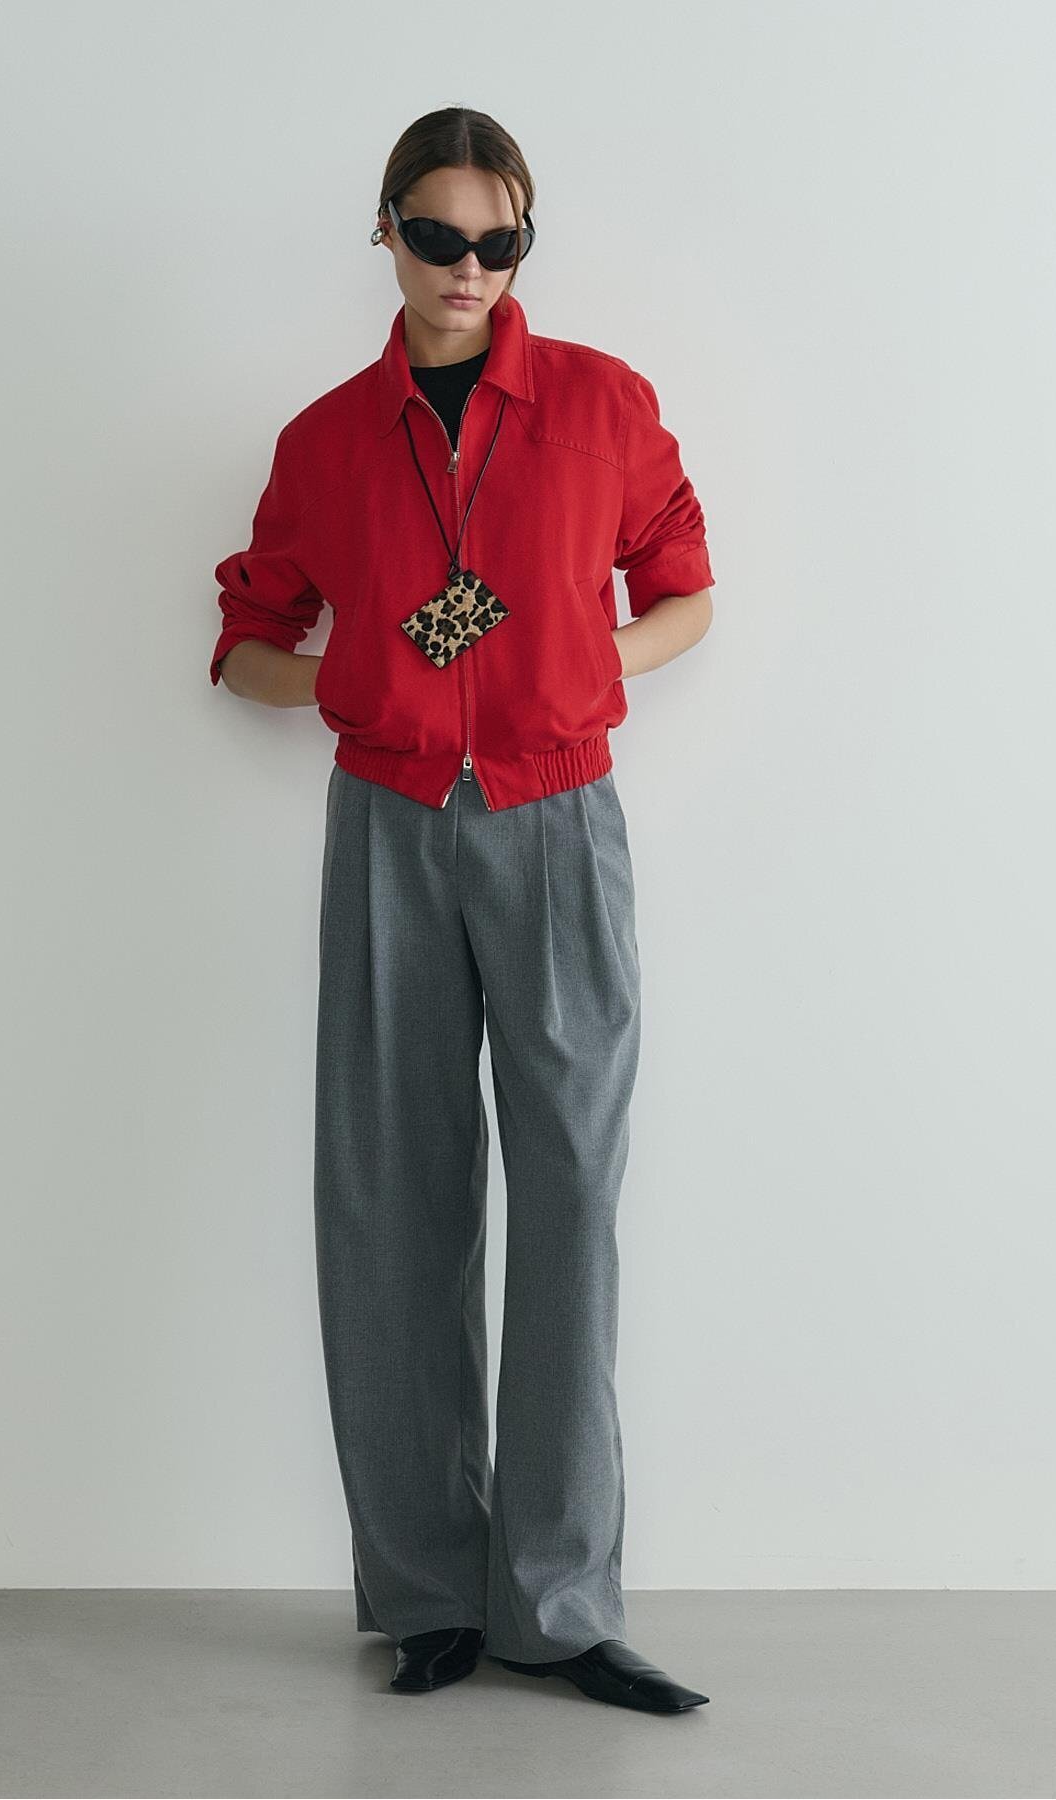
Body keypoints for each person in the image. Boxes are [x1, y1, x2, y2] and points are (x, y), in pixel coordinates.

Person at [210, 106, 716, 1716]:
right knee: (393, 1202)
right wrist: (348, 677)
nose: (470, 269)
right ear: (386, 232)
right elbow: (246, 642)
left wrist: (584, 664)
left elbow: (687, 590)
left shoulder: (601, 406)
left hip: (559, 821)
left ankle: (556, 1609)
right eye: (438, 236)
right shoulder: (325, 441)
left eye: (501, 242)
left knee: (570, 1195)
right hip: (392, 826)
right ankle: (427, 1593)